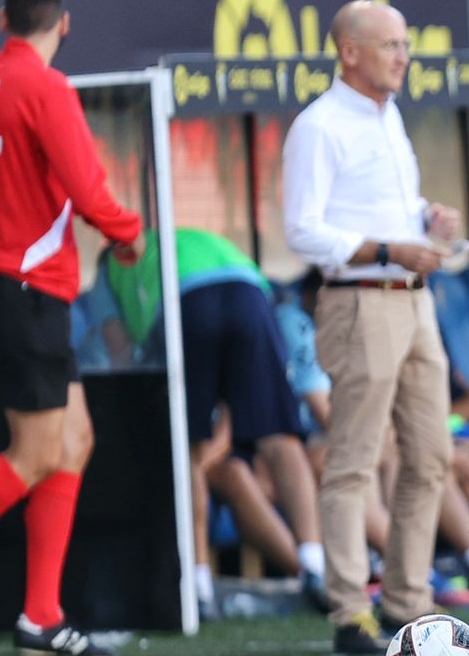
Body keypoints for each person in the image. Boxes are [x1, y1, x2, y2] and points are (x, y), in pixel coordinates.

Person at [282, 0, 457, 656]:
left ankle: (410, 601)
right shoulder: (320, 125)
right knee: (353, 457)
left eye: (405, 44)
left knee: (432, 453)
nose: (402, 56)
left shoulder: (387, 116)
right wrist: (389, 248)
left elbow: (380, 206)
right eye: (389, 45)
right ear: (349, 51)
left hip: (411, 299)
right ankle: (350, 609)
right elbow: (302, 228)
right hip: (361, 298)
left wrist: (424, 219)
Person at [0, 0, 143, 656]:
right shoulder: (45, 86)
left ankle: (40, 618)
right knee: (37, 452)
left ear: (2, 19)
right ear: (63, 24)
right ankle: (40, 618)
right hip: (27, 285)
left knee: (73, 439)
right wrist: (129, 232)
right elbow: (88, 188)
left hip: (9, 282)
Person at [93, 227, 329, 617]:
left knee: (185, 448)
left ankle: (197, 585)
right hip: (250, 292)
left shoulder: (110, 268)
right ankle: (314, 565)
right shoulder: (184, 237)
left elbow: (119, 349)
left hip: (184, 300)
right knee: (280, 438)